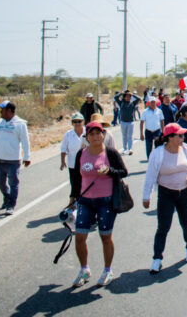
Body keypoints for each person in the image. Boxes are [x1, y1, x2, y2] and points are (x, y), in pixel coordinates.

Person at [68, 121, 128, 287]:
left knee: (105, 236)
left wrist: (110, 171)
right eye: (91, 134)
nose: (95, 136)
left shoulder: (110, 153)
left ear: (103, 135)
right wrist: (73, 196)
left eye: (98, 133)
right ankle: (84, 269)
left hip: (106, 200)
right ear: (86, 137)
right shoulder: (82, 154)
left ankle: (107, 270)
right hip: (85, 201)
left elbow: (124, 172)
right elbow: (76, 177)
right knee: (80, 236)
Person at [143, 123, 187, 272]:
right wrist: (146, 196)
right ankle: (157, 258)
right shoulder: (158, 153)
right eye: (179, 135)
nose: (183, 138)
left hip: (184, 192)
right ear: (169, 138)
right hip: (166, 194)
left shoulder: (186, 149)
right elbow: (150, 176)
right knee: (163, 227)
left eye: (183, 135)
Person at [0, 100, 30, 215]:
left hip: (13, 160)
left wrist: (27, 157)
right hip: (0, 159)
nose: (0, 112)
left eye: (2, 109)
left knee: (13, 183)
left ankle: (11, 204)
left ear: (9, 111)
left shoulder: (20, 124)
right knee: (0, 181)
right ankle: (7, 196)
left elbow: (25, 141)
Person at [60, 113, 85, 185]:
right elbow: (63, 149)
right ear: (72, 123)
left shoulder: (88, 132)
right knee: (75, 186)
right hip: (73, 165)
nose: (77, 123)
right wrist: (63, 162)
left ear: (83, 122)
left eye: (79, 121)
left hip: (85, 164)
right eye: (75, 121)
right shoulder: (68, 134)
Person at [114, 90, 141, 156]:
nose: (128, 97)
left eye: (129, 96)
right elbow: (115, 97)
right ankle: (125, 148)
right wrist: (121, 93)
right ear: (124, 97)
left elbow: (139, 99)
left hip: (130, 122)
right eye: (127, 96)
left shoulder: (132, 103)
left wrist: (132, 94)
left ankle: (130, 149)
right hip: (123, 122)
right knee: (124, 136)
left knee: (130, 136)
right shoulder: (121, 103)